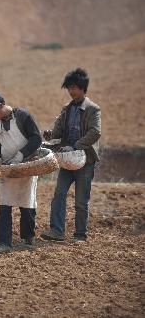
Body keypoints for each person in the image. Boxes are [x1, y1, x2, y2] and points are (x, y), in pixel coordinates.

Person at [41, 68, 101, 243]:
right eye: (69, 87)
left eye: (74, 87)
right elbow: (58, 131)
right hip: (67, 161)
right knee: (59, 195)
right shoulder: (66, 109)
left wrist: (75, 146)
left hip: (85, 160)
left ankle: (80, 234)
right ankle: (57, 231)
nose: (71, 91)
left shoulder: (93, 109)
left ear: (83, 88)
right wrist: (50, 134)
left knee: (81, 201)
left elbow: (95, 132)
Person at [0, 92, 42, 253]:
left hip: (27, 165)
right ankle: (3, 243)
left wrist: (20, 156)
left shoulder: (23, 117)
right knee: (4, 205)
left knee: (27, 203)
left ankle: (28, 239)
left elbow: (36, 139)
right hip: (7, 168)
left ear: (1, 105)